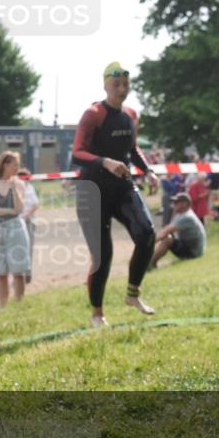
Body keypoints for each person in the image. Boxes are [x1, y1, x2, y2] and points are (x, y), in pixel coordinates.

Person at [72, 62, 158, 328]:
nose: (121, 89)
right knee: (103, 255)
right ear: (105, 85)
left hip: (122, 187)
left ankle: (133, 294)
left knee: (147, 234)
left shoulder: (131, 114)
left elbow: (132, 150)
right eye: (116, 85)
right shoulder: (93, 113)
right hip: (93, 192)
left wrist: (149, 171)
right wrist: (105, 161)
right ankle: (97, 313)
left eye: (125, 85)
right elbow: (77, 152)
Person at [0, 151, 30, 307]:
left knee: (18, 270)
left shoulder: (20, 184)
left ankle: (19, 305)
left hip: (15, 228)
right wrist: (7, 211)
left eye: (18, 164)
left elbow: (19, 208)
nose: (17, 168)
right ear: (5, 164)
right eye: (14, 164)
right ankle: (3, 306)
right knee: (0, 271)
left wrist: (14, 188)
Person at [150, 193, 207, 268]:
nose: (173, 204)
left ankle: (150, 264)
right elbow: (168, 228)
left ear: (185, 204)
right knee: (168, 237)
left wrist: (148, 245)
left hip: (193, 253)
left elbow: (165, 232)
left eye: (176, 202)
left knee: (167, 240)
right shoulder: (182, 214)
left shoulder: (187, 217)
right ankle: (151, 261)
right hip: (190, 247)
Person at [19, 167, 40, 284]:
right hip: (17, 221)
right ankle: (19, 273)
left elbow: (35, 204)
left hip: (29, 220)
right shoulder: (15, 189)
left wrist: (25, 216)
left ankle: (27, 273)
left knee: (28, 248)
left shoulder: (30, 188)